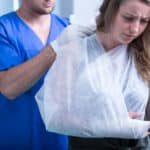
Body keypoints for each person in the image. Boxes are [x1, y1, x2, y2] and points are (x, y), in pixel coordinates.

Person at [35, 0, 150, 149]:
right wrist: (107, 122)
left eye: (144, 21)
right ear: (110, 12)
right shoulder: (76, 52)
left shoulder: (143, 55)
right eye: (128, 18)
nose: (135, 29)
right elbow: (56, 117)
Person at [0, 0, 70, 149]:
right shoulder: (4, 29)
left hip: (56, 143)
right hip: (13, 141)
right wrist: (55, 48)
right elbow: (8, 87)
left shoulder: (67, 28)